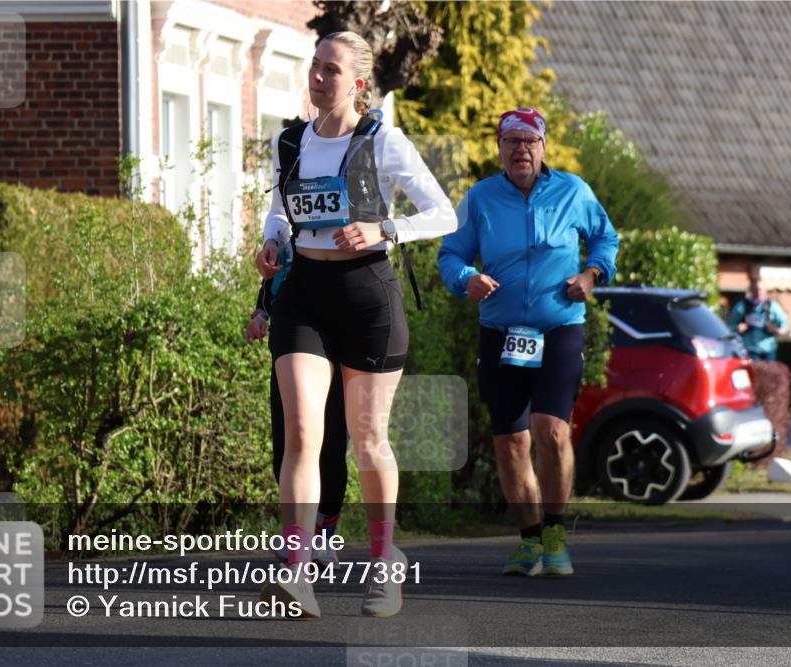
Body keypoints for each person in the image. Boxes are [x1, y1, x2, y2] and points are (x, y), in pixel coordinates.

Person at [254, 31, 457, 618]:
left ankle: (383, 559)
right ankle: (296, 571)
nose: (318, 78)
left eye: (331, 71)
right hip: (305, 296)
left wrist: (384, 229)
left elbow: (443, 212)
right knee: (301, 434)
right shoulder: (289, 141)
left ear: (358, 83)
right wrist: (271, 244)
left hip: (368, 295)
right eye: (315, 67)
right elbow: (279, 212)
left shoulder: (384, 140)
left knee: (368, 442)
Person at [438, 107, 619, 578]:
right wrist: (467, 278)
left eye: (529, 141)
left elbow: (606, 239)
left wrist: (591, 273)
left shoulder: (573, 191)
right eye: (511, 141)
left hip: (559, 326)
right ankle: (528, 540)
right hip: (500, 334)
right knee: (511, 444)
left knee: (551, 430)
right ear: (500, 149)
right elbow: (450, 254)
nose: (521, 149)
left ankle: (556, 533)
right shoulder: (480, 197)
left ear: (543, 147)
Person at [246, 270, 348, 567]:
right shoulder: (285, 232)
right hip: (292, 339)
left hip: (338, 341)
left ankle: (323, 533)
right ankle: (297, 531)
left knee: (331, 446)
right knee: (289, 443)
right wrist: (261, 314)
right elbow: (271, 281)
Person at [726, 275, 789, 361]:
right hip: (750, 349)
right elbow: (729, 326)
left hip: (769, 349)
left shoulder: (773, 306)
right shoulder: (742, 306)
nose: (759, 292)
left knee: (770, 373)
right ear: (751, 290)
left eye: (761, 289)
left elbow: (784, 325)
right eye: (756, 289)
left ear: (765, 290)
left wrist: (780, 330)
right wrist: (737, 327)